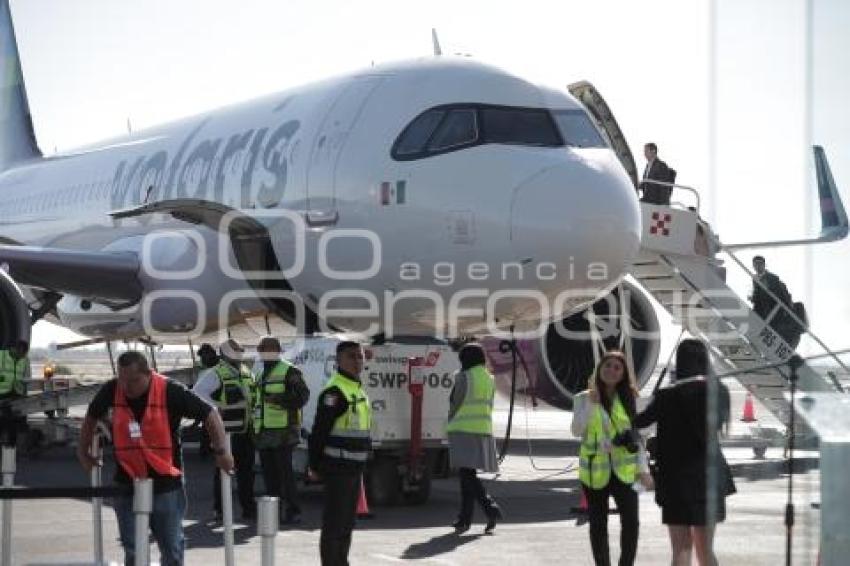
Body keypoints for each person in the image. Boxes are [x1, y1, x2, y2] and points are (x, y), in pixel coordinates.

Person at [77, 351, 233, 566]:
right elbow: (91, 416)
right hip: (126, 482)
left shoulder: (169, 390)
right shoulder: (113, 389)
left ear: (148, 374)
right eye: (122, 380)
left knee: (171, 549)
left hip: (165, 484)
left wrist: (221, 452)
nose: (127, 388)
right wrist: (83, 452)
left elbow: (210, 414)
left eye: (133, 381)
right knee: (133, 549)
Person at [633, 339, 735, 566]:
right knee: (705, 551)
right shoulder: (719, 392)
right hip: (707, 480)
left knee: (681, 549)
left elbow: (638, 422)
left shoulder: (667, 396)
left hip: (676, 482)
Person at [571, 350, 651, 566]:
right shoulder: (582, 398)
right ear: (599, 369)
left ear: (624, 373)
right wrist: (591, 403)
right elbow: (577, 430)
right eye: (607, 365)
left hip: (625, 472)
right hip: (594, 472)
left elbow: (638, 436)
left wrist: (644, 470)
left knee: (632, 523)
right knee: (598, 523)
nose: (611, 370)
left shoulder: (631, 398)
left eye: (617, 367)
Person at [308, 341, 372, 566]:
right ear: (339, 360)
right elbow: (319, 432)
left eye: (360, 356)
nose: (357, 361)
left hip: (353, 469)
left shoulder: (356, 387)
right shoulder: (335, 391)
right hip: (338, 468)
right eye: (351, 357)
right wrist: (314, 466)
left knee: (346, 524)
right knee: (335, 525)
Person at [192, 339, 257, 521]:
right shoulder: (215, 374)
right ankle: (220, 509)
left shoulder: (246, 372)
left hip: (245, 430)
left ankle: (248, 508)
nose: (240, 354)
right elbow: (196, 393)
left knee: (247, 472)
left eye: (241, 350)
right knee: (223, 471)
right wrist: (215, 408)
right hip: (226, 432)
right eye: (236, 351)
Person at [446, 342, 502, 534]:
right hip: (483, 429)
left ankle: (490, 508)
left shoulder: (463, 377)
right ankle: (464, 519)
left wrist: (449, 422)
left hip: (462, 429)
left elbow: (455, 403)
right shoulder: (490, 379)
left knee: (467, 475)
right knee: (467, 475)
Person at [253, 335, 310, 525]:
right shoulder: (262, 373)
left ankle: (294, 511)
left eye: (265, 348)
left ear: (276, 350)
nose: (262, 352)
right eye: (261, 349)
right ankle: (273, 513)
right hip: (265, 432)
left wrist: (278, 399)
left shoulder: (289, 371)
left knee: (285, 475)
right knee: (270, 476)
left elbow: (303, 396)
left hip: (284, 431)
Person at [749, 255, 801, 346]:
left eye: (759, 264)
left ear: (764, 265)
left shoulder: (772, 278)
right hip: (761, 308)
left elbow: (779, 293)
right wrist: (753, 298)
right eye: (755, 264)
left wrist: (787, 308)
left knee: (771, 329)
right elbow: (758, 294)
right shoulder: (755, 278)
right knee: (754, 325)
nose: (757, 266)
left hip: (772, 308)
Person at [0, 339, 30, 446]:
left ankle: (12, 446)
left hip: (16, 394)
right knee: (6, 419)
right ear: (17, 350)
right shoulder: (1, 356)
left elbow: (27, 379)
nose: (23, 357)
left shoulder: (25, 360)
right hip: (2, 394)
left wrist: (25, 395)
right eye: (22, 354)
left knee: (15, 420)